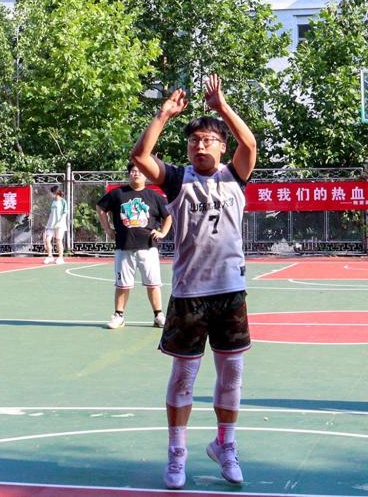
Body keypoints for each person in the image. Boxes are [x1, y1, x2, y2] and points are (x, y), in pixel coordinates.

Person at [130, 74, 256, 489]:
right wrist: (164, 114)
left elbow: (249, 144)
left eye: (207, 140)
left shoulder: (234, 176)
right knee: (184, 376)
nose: (199, 146)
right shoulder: (178, 179)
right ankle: (177, 453)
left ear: (221, 146)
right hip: (190, 295)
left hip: (230, 291)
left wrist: (222, 107)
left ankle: (225, 445)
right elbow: (140, 155)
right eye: (194, 141)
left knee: (231, 374)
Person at [96, 163, 173, 329]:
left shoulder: (154, 196)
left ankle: (158, 315)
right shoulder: (117, 194)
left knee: (153, 283)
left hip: (148, 247)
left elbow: (168, 215)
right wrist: (107, 228)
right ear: (129, 174)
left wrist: (163, 232)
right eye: (133, 171)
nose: (136, 173)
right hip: (124, 247)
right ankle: (119, 316)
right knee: (122, 284)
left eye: (139, 171)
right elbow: (100, 207)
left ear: (146, 175)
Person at [42, 185, 69, 264]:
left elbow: (65, 213)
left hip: (60, 225)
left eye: (52, 192)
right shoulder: (53, 202)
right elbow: (51, 214)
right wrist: (48, 224)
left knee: (58, 240)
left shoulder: (63, 201)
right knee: (47, 240)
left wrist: (59, 223)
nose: (51, 194)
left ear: (56, 192)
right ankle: (50, 256)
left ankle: (60, 258)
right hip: (51, 225)